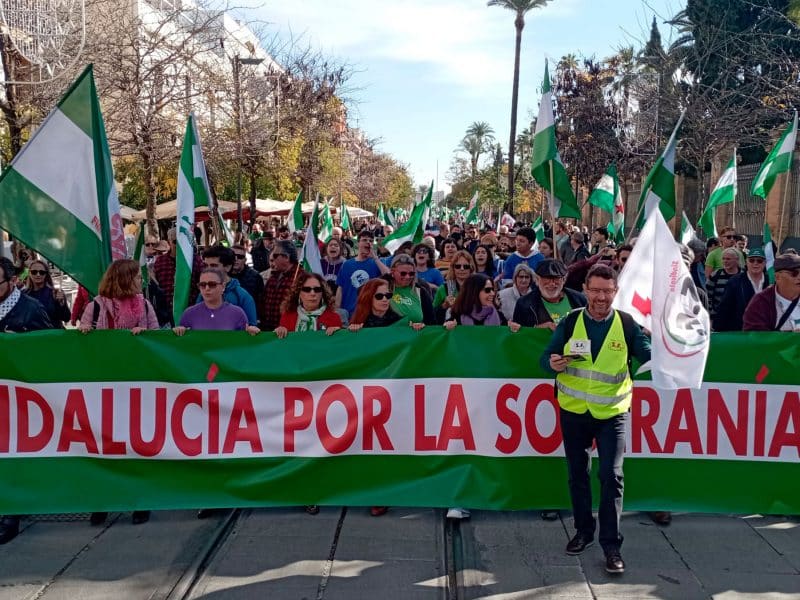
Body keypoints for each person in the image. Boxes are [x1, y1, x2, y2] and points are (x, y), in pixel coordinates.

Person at [540, 264, 651, 574]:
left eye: (608, 291)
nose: (601, 297)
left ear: (616, 292)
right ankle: (584, 530)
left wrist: (665, 347)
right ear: (585, 290)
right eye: (596, 290)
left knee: (611, 476)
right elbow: (545, 359)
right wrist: (553, 363)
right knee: (578, 473)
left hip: (612, 413)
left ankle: (612, 545)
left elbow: (647, 353)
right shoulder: (571, 321)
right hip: (574, 411)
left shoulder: (627, 324)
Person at [79, 259, 159, 526]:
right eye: (137, 277)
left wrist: (146, 335)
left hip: (136, 386)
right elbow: (83, 343)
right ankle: (103, 501)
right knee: (105, 447)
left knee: (136, 444)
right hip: (105, 387)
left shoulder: (145, 305)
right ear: (124, 279)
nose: (141, 281)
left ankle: (140, 500)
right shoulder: (96, 306)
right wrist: (84, 333)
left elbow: (158, 341)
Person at [0, 257, 53, 544]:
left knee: (13, 452)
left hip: (21, 396)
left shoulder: (31, 309)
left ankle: (12, 514)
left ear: (11, 281)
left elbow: (48, 349)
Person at [175, 267, 259, 335]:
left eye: (212, 284)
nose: (207, 289)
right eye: (202, 285)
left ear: (223, 286)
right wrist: (178, 331)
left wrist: (251, 332)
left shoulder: (238, 313)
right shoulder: (189, 314)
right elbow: (181, 346)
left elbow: (244, 345)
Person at [513, 259, 587, 329]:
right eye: (547, 278)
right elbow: (519, 335)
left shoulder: (579, 299)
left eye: (556, 278)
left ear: (564, 280)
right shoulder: (524, 304)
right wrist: (537, 329)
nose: (551, 283)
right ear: (537, 279)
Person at [153, 227, 204, 321]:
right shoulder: (160, 261)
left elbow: (202, 283)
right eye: (176, 242)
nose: (180, 245)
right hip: (166, 312)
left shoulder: (195, 260)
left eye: (183, 241)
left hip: (190, 310)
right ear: (169, 243)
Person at [200, 246, 258, 327]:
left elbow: (252, 328)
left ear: (227, 267)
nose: (208, 269)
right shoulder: (203, 292)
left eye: (213, 266)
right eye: (206, 265)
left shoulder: (243, 297)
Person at [335, 231, 390, 317]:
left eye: (371, 241)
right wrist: (337, 309)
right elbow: (340, 288)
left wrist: (375, 258)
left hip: (370, 313)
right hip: (349, 312)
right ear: (358, 243)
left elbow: (388, 275)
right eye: (364, 240)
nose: (368, 242)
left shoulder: (377, 262)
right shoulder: (347, 264)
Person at [714, 247, 769, 331]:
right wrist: (718, 330)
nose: (755, 263)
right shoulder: (734, 282)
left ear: (764, 263)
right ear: (746, 262)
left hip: (765, 330)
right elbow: (724, 307)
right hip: (741, 331)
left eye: (759, 261)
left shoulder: (770, 281)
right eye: (752, 260)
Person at [275, 271, 342, 339]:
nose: (312, 293)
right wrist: (280, 331)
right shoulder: (287, 317)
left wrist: (339, 334)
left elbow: (337, 345)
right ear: (299, 293)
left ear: (322, 293)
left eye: (317, 289)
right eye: (307, 289)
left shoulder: (334, 318)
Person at [743, 253, 800, 331]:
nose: (799, 277)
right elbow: (755, 338)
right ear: (777, 277)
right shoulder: (760, 303)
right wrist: (791, 337)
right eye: (794, 273)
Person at [385, 254, 436, 325]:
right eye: (403, 273)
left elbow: (431, 320)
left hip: (416, 335)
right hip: (390, 334)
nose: (407, 277)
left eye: (411, 273)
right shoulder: (382, 288)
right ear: (392, 271)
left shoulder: (421, 291)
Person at [262, 240, 302, 331]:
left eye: (275, 256)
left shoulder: (300, 277)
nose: (273, 258)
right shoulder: (273, 276)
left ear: (286, 257)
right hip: (269, 332)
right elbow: (263, 302)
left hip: (288, 332)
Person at [23, 260, 70, 328]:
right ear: (29, 273)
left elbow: (66, 318)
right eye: (34, 272)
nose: (38, 274)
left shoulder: (56, 292)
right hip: (32, 335)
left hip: (53, 335)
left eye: (42, 272)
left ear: (46, 274)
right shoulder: (23, 294)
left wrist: (61, 304)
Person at [433, 250, 475, 323]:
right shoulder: (443, 289)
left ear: (471, 268)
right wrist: (444, 306)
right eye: (458, 266)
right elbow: (432, 314)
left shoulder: (478, 288)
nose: (462, 269)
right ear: (453, 268)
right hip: (449, 330)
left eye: (466, 266)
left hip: (473, 329)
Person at [230, 244, 265, 317]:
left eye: (240, 257)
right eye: (233, 256)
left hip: (248, 317)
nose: (236, 259)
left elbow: (261, 302)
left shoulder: (255, 277)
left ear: (245, 260)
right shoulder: (221, 275)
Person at [707, 247, 741, 319]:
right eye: (723, 259)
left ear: (737, 260)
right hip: (719, 317)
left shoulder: (744, 275)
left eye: (728, 259)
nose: (725, 261)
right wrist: (711, 316)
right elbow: (708, 297)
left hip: (740, 318)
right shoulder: (715, 275)